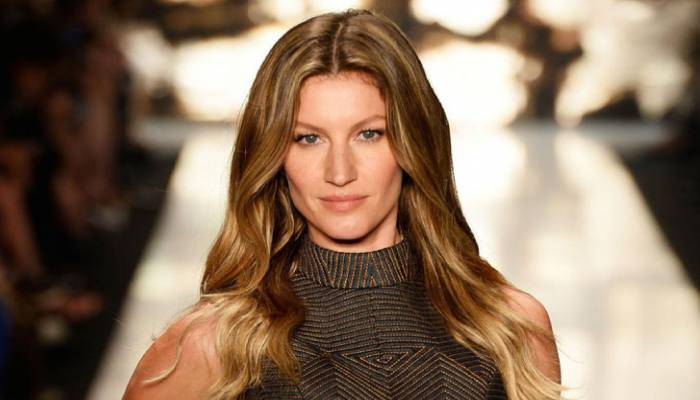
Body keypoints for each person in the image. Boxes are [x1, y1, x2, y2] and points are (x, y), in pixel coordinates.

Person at [124, 9, 562, 400]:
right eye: (308, 138)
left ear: (413, 142)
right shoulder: (218, 344)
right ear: (275, 154)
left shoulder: (509, 328)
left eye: (369, 134)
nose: (339, 171)